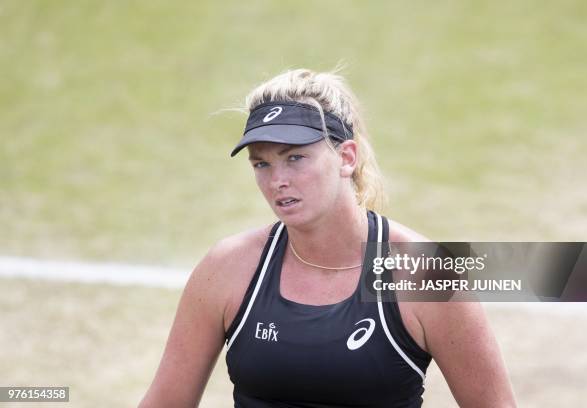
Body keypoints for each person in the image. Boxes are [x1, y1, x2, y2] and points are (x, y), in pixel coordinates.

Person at [139, 68, 516, 407]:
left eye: (295, 158)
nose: (277, 180)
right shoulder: (227, 269)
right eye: (261, 163)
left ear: (347, 158)